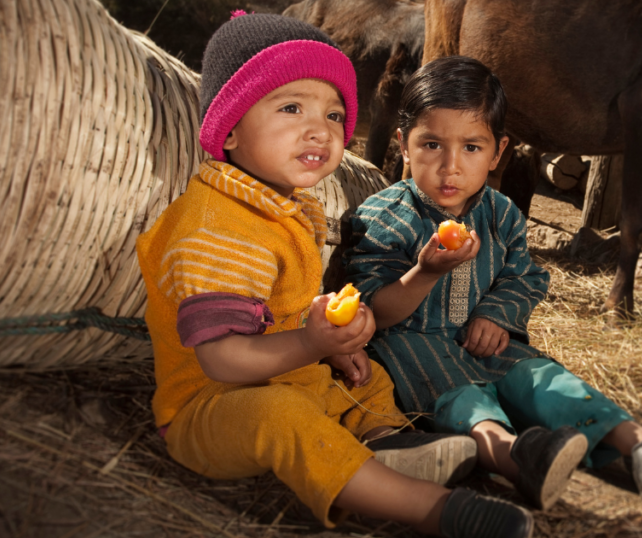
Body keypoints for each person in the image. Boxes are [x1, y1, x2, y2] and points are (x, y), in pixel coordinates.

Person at [135, 14, 534, 538]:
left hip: (289, 374)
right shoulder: (216, 227)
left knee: (368, 375)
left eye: (333, 113)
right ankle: (431, 508)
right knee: (280, 415)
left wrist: (328, 341)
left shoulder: (276, 207)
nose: (319, 129)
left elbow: (277, 306)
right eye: (291, 107)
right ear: (229, 128)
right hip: (214, 408)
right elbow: (221, 358)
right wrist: (309, 340)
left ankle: (389, 442)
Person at [345, 55, 642, 511]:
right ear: (404, 145)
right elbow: (375, 310)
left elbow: (523, 277)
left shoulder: (501, 213)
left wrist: (495, 315)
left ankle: (640, 443)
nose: (451, 167)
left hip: (489, 343)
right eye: (432, 144)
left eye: (472, 147)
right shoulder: (380, 217)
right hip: (416, 347)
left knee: (542, 378)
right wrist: (425, 272)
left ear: (498, 152)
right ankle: (517, 459)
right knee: (463, 401)